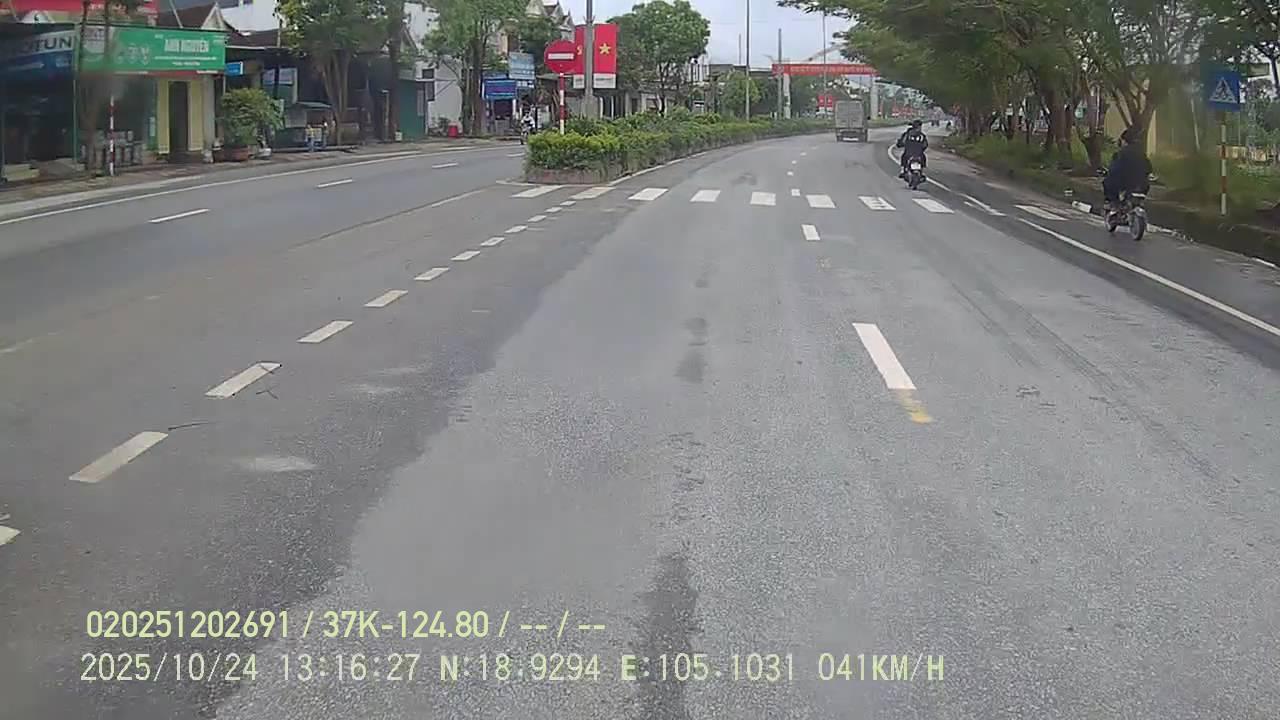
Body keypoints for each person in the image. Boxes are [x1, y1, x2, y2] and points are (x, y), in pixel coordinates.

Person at [1103, 126, 1153, 208]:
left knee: (1107, 183)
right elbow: (1149, 169)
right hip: (1142, 187)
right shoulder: (1141, 153)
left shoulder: (1121, 154)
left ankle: (1113, 204)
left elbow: (1114, 170)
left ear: (1124, 141)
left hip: (1125, 186)